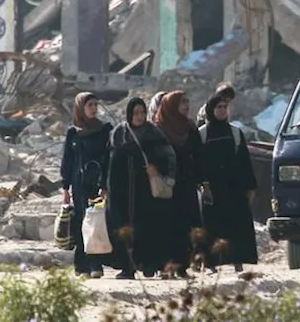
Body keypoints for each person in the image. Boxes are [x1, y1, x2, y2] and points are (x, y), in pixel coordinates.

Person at [107, 97, 177, 279]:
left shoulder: (154, 133)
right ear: (129, 113)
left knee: (148, 227)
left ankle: (149, 264)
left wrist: (157, 169)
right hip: (122, 190)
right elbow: (109, 159)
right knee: (123, 227)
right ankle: (127, 267)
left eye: (142, 113)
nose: (139, 116)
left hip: (146, 191)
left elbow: (169, 158)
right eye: (136, 113)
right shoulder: (119, 133)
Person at [199, 92, 258, 272]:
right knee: (212, 228)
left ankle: (237, 262)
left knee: (236, 227)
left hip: (234, 189)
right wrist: (204, 185)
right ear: (211, 109)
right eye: (219, 107)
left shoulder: (235, 132)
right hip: (213, 191)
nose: (223, 110)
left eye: (225, 107)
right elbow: (199, 163)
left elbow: (244, 162)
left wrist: (250, 187)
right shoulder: (202, 134)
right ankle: (211, 265)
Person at [59, 92, 112, 278]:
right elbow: (67, 161)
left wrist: (105, 184)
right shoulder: (73, 132)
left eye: (96, 105)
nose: (94, 108)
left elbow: (108, 158)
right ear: (81, 107)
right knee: (81, 223)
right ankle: (82, 266)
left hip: (97, 183)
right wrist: (65, 188)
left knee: (96, 222)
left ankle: (96, 264)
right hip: (79, 184)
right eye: (90, 105)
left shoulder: (105, 130)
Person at [154, 89, 206, 276]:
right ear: (171, 105)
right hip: (166, 186)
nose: (186, 106)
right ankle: (166, 266)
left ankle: (183, 265)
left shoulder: (190, 128)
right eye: (182, 102)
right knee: (166, 226)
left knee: (187, 226)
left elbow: (199, 156)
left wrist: (202, 180)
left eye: (187, 102)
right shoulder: (159, 129)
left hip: (187, 184)